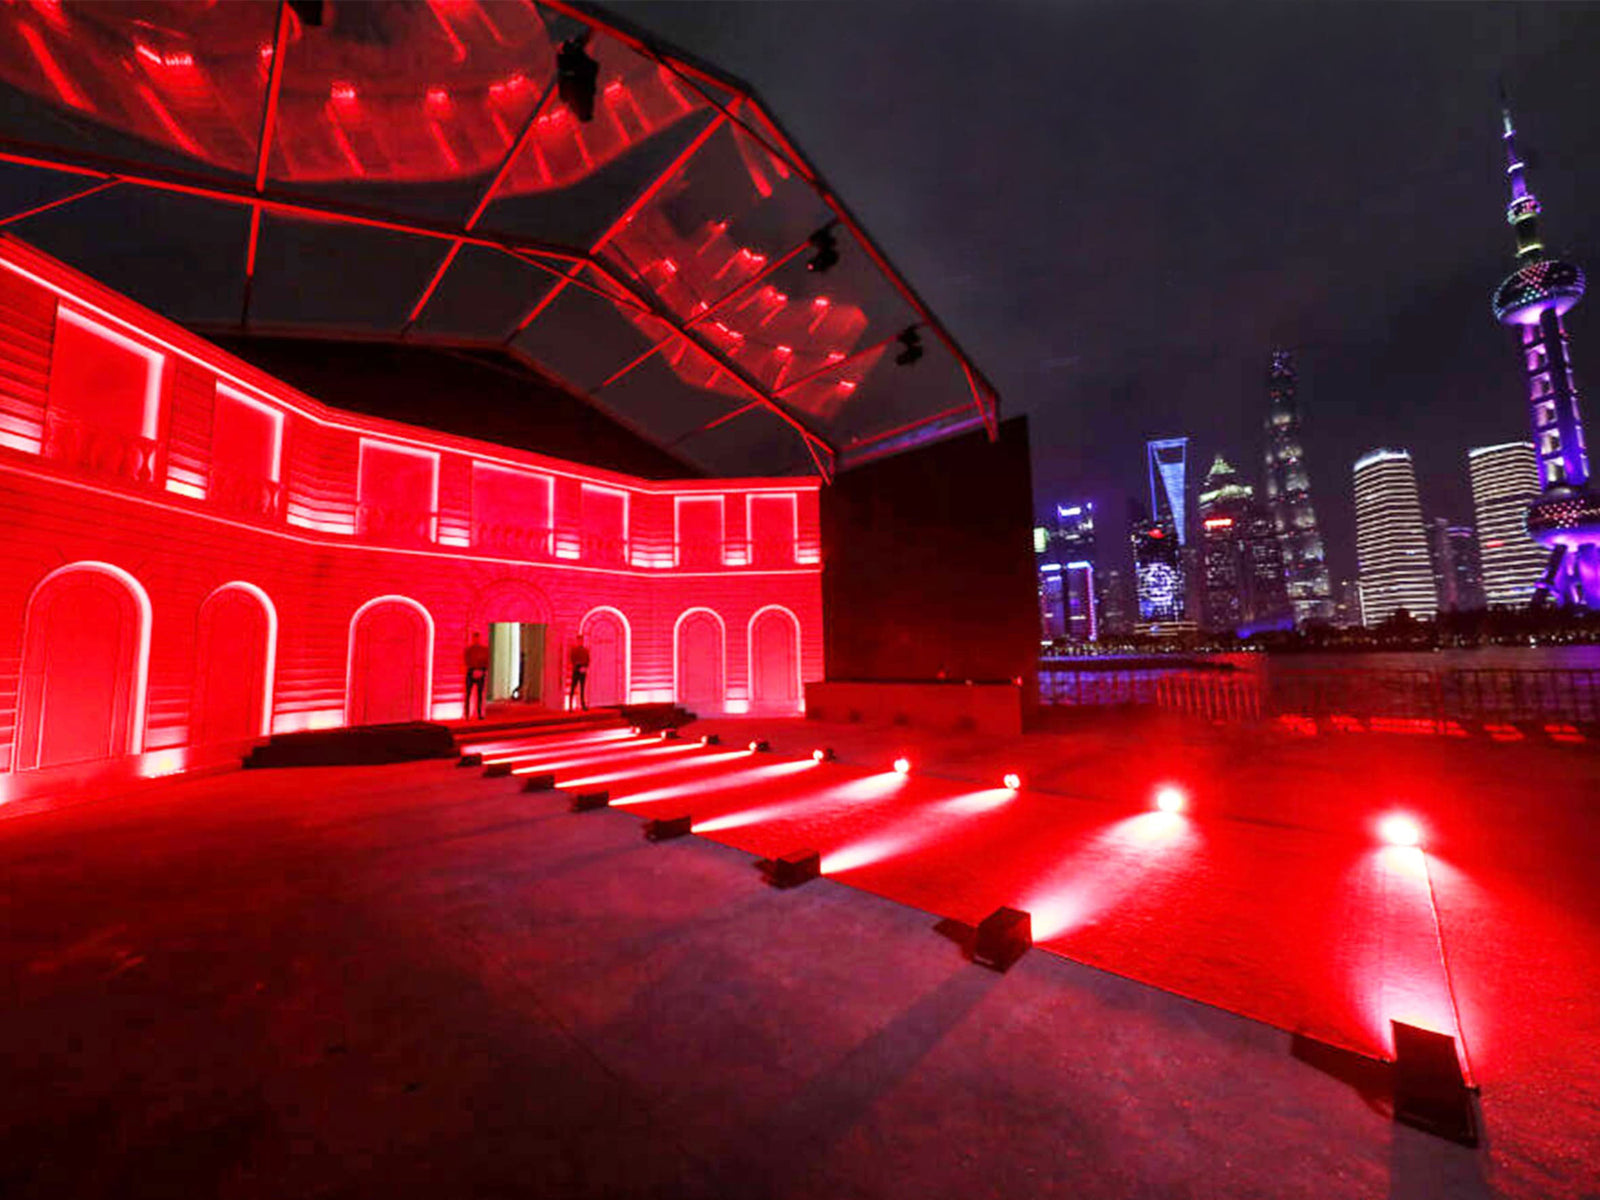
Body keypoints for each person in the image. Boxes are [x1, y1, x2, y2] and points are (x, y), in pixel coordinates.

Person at [464, 631, 489, 719]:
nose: (476, 640)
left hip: (480, 671)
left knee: (480, 695)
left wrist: (482, 670)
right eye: (474, 638)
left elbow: (486, 661)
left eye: (477, 638)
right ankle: (467, 714)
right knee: (468, 694)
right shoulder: (469, 650)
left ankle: (479, 713)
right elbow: (467, 661)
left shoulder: (484, 650)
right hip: (471, 671)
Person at [568, 635, 590, 711]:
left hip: (582, 669)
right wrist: (577, 665)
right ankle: (570, 705)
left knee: (582, 688)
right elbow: (572, 659)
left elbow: (588, 660)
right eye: (579, 640)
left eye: (581, 640)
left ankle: (582, 704)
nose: (580, 642)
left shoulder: (585, 650)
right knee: (573, 687)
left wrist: (585, 666)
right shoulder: (574, 650)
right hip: (576, 669)